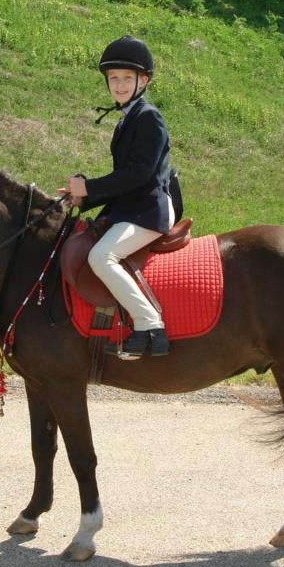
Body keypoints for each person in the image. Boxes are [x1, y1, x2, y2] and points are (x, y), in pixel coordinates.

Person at [58, 35, 175, 358]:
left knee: (101, 257)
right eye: (114, 79)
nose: (119, 85)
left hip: (150, 209)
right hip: (134, 206)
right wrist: (84, 198)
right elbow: (124, 182)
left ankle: (149, 324)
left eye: (127, 78)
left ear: (144, 80)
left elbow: (139, 174)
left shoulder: (149, 117)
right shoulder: (128, 118)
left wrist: (90, 187)